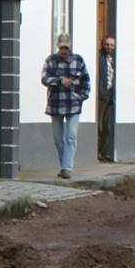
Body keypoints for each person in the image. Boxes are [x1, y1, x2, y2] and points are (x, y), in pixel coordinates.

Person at [41, 36, 91, 178]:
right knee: (58, 138)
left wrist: (82, 97)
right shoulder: (50, 60)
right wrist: (59, 81)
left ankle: (66, 168)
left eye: (66, 48)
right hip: (56, 104)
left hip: (73, 104)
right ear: (58, 46)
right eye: (62, 47)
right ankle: (65, 164)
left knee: (71, 136)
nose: (64, 50)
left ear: (70, 47)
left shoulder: (78, 60)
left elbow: (86, 80)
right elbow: (44, 78)